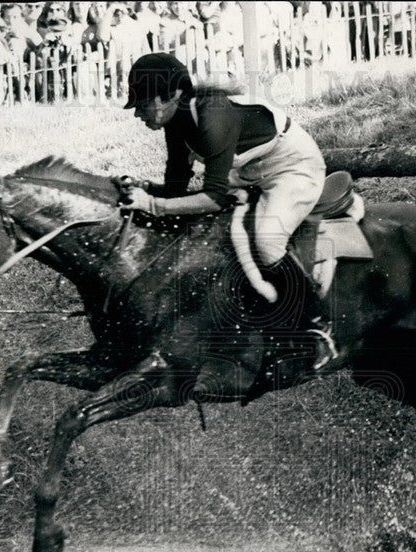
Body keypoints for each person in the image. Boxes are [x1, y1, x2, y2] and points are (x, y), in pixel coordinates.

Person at [120, 52, 340, 378]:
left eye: (143, 103)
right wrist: (143, 191)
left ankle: (318, 325)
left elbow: (212, 197)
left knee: (267, 240)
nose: (138, 113)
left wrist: (151, 204)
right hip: (251, 174)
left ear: (171, 95)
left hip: (293, 169)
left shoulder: (214, 113)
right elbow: (178, 190)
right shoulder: (177, 122)